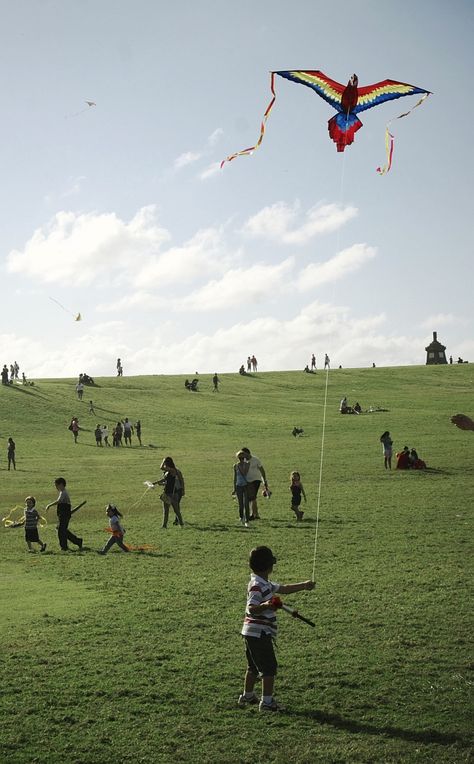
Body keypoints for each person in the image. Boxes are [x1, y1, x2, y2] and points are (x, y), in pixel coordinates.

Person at [238, 546, 315, 712]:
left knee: (252, 666)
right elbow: (251, 608)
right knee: (269, 667)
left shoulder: (264, 582)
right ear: (269, 566)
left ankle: (248, 695)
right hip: (259, 632)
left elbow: (285, 589)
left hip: (250, 632)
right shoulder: (257, 585)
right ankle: (267, 702)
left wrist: (305, 585)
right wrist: (266, 605)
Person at [45, 477, 83, 551]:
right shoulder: (62, 492)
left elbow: (59, 501)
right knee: (62, 529)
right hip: (62, 515)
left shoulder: (63, 492)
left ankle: (64, 547)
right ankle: (78, 541)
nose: (56, 487)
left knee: (61, 531)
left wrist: (49, 505)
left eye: (56, 485)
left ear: (61, 484)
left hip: (64, 515)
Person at [153, 457, 184, 528]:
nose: (164, 465)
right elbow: (165, 480)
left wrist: (163, 460)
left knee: (176, 510)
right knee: (165, 510)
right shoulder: (168, 471)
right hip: (166, 493)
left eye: (165, 463)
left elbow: (162, 468)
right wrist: (155, 483)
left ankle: (181, 524)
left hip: (173, 494)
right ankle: (164, 526)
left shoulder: (173, 470)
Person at [240, 447, 269, 521]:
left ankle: (253, 514)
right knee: (252, 498)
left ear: (248, 453)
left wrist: (264, 480)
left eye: (244, 454)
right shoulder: (244, 461)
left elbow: (262, 470)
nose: (243, 456)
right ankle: (256, 514)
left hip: (256, 480)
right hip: (247, 481)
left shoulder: (256, 460)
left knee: (252, 497)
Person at [232, 451, 250, 527]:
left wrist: (242, 466)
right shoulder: (235, 466)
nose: (241, 459)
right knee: (240, 504)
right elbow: (235, 477)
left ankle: (247, 519)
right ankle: (241, 517)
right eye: (240, 458)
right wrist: (234, 488)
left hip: (245, 485)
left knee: (246, 503)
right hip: (239, 485)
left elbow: (245, 473)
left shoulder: (247, 465)